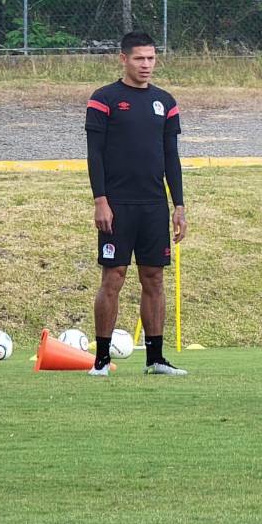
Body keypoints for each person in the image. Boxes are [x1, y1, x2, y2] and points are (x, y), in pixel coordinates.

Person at [86, 31, 187, 377]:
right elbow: (94, 155)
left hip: (154, 205)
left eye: (151, 58)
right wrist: (101, 200)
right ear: (123, 59)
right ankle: (100, 360)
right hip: (118, 204)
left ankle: (155, 359)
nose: (146, 65)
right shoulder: (104, 99)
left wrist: (180, 205)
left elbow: (171, 156)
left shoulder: (165, 102)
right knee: (113, 277)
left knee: (154, 279)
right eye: (139, 58)